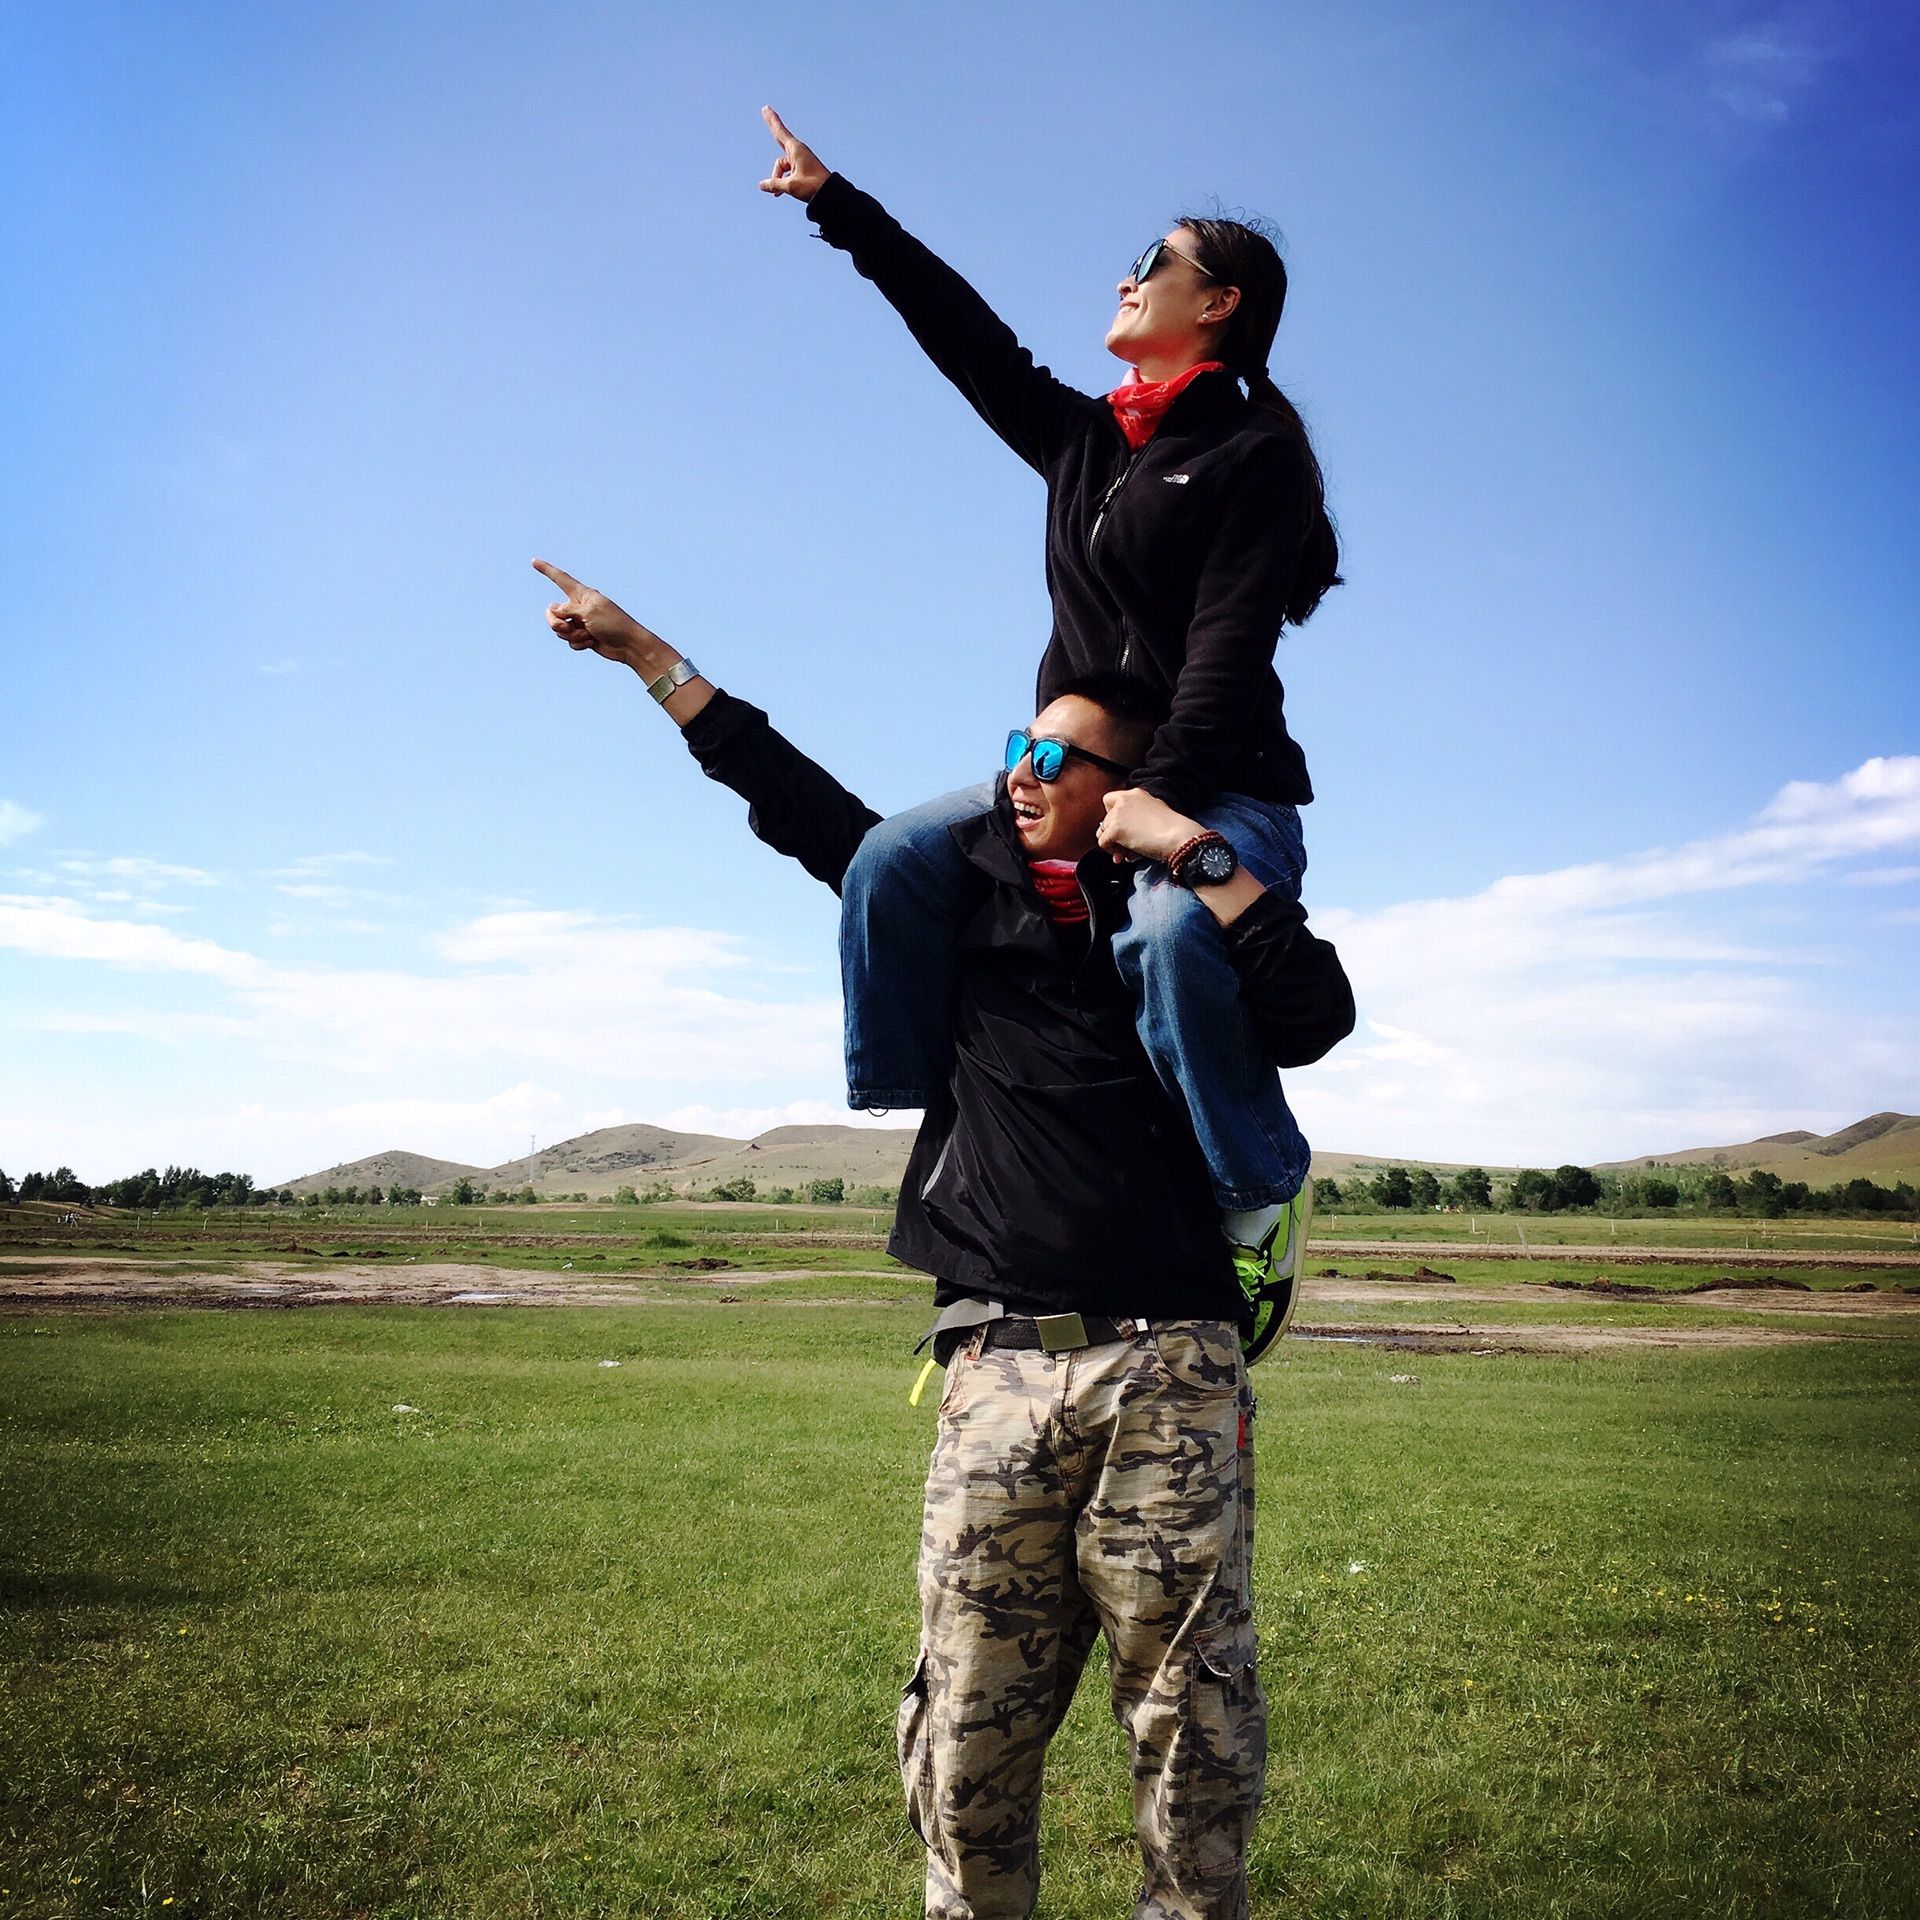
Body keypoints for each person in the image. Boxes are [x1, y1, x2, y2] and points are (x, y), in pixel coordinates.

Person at [532, 558, 1353, 1920]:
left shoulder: (1180, 948)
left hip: (1172, 1371)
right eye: (1015, 745)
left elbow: (1317, 1010)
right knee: (967, 1731)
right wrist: (644, 657)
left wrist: (1196, 857)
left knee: (1193, 1734)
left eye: (1057, 754)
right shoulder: (964, 919)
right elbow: (798, 805)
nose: (1022, 769)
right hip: (996, 1371)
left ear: (1123, 790)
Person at [756, 108, 1343, 1306]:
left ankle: (1259, 1192)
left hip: (1218, 781)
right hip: (1070, 764)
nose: (1126, 278)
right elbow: (962, 334)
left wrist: (1156, 813)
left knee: (1178, 936)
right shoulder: (1083, 441)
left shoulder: (1252, 458)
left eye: (1152, 263)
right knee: (889, 865)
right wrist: (837, 205)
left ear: (1217, 301)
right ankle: (957, 1109)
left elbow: (1226, 661)